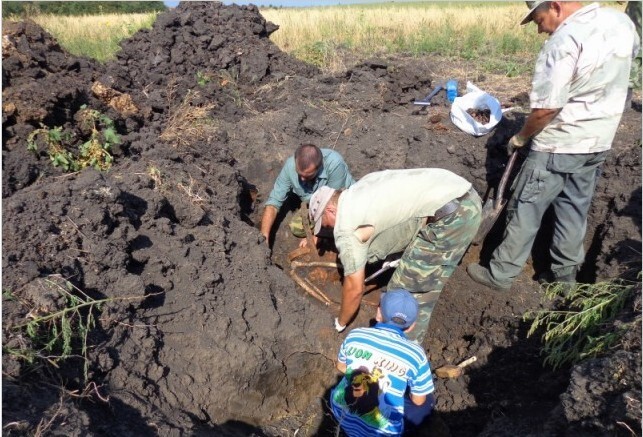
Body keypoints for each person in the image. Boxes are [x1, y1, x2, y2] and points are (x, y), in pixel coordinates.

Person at [466, 1, 640, 291]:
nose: (539, 30)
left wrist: (521, 137)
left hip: (559, 144)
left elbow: (547, 109)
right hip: (599, 141)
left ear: (556, 6)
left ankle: (501, 274)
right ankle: (564, 278)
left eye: (538, 20)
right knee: (574, 209)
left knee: (525, 209)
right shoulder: (621, 23)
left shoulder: (563, 40)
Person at [308, 168, 481, 343]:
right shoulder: (360, 186)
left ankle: (401, 350)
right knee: (419, 281)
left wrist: (340, 322)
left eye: (324, 224)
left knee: (401, 297)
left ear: (330, 210)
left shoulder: (346, 227)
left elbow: (354, 289)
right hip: (461, 191)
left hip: (452, 217)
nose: (328, 229)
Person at [330, 289, 435, 436]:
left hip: (340, 414)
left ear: (379, 313)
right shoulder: (416, 354)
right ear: (412, 326)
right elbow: (418, 401)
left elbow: (341, 366)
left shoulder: (356, 334)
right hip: (382, 432)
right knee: (427, 401)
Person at [260, 144, 355, 246]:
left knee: (346, 227)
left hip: (342, 203)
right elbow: (273, 203)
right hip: (315, 205)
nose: (302, 179)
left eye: (307, 176)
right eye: (299, 174)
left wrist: (315, 236)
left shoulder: (334, 164)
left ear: (319, 168)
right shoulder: (290, 166)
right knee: (296, 227)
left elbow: (334, 204)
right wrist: (264, 237)